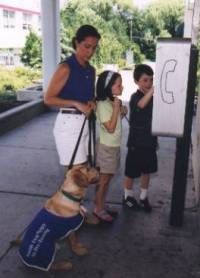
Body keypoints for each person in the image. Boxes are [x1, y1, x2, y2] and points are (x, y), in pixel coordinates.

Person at [44, 25, 101, 224]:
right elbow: (49, 99)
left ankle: (76, 212)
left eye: (94, 48)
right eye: (86, 46)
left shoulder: (91, 70)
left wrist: (91, 103)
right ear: (77, 42)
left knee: (82, 172)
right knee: (76, 175)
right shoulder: (65, 67)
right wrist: (76, 103)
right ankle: (69, 215)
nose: (90, 52)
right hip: (68, 124)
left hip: (84, 123)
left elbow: (87, 97)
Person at [122, 64, 158, 213]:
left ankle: (143, 196)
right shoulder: (134, 97)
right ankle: (127, 197)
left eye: (151, 80)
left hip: (149, 141)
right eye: (145, 80)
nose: (149, 83)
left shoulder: (153, 98)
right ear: (137, 82)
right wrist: (153, 91)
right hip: (136, 142)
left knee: (146, 170)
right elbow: (142, 105)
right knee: (131, 171)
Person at [93, 70, 127, 222]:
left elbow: (116, 119)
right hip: (106, 148)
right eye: (119, 85)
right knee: (104, 180)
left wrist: (121, 111)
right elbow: (111, 128)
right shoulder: (102, 105)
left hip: (113, 146)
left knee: (108, 177)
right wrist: (116, 109)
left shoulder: (110, 101)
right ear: (108, 87)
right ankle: (98, 209)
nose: (122, 87)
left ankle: (101, 204)